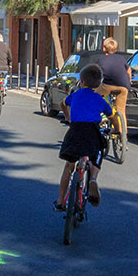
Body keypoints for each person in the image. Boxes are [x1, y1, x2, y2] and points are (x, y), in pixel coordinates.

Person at [55, 64, 111, 211]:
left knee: (69, 165)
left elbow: (63, 103)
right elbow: (111, 113)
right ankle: (93, 178)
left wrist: (68, 117)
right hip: (92, 132)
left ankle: (61, 201)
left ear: (82, 81)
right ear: (98, 83)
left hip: (75, 131)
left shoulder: (75, 95)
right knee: (97, 154)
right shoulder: (99, 98)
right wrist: (117, 129)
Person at [95, 38, 132, 134]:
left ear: (104, 48)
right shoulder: (121, 58)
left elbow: (96, 73)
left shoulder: (101, 60)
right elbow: (128, 70)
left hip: (108, 85)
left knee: (95, 95)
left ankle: (103, 114)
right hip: (124, 86)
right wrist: (128, 81)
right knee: (121, 109)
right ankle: (123, 132)